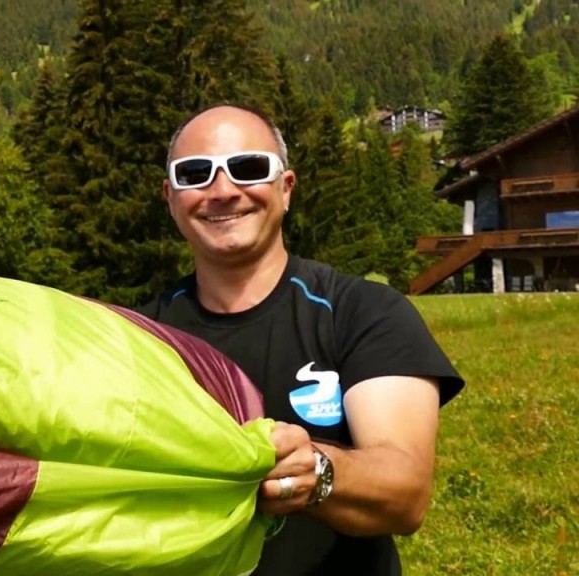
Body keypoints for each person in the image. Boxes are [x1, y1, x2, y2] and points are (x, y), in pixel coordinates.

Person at [137, 104, 464, 575]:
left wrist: (318, 470)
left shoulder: (365, 312)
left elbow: (405, 493)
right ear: (171, 198)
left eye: (248, 168)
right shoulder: (140, 339)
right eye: (196, 174)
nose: (223, 190)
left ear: (285, 189)